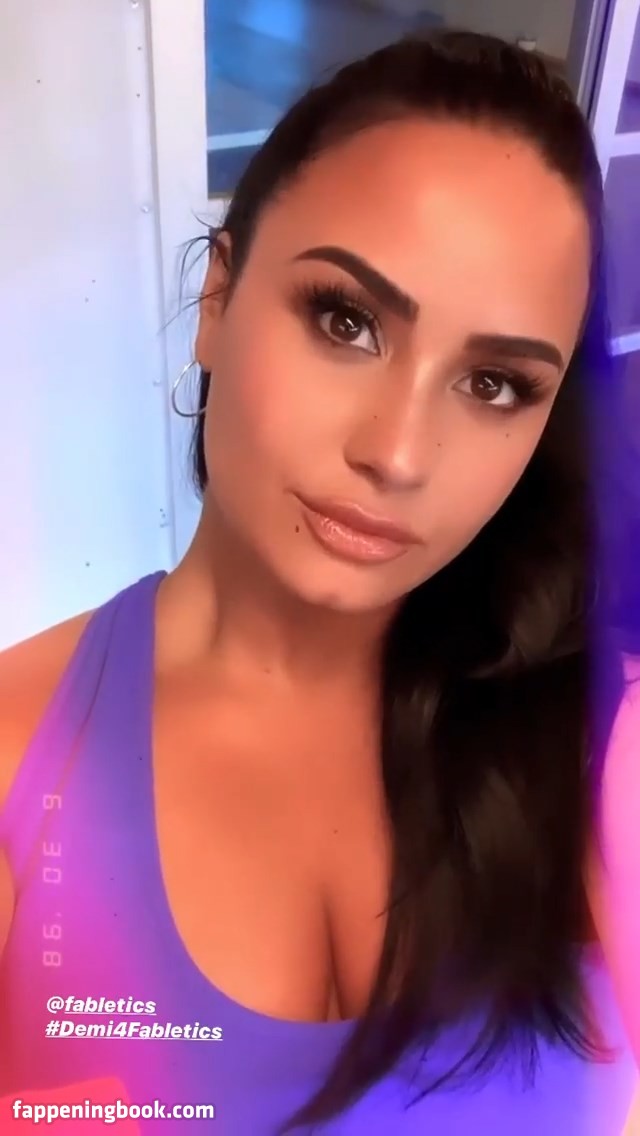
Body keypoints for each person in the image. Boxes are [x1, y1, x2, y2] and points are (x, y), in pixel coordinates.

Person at [0, 29, 639, 1136]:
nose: (398, 453)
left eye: (494, 383)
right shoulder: (21, 757)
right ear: (217, 297)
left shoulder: (608, 737)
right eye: (347, 321)